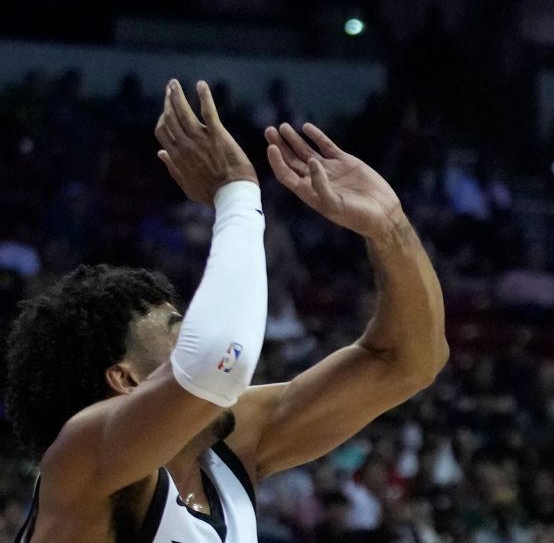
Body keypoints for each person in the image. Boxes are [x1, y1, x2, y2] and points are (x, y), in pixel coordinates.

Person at [6, 80, 449, 543]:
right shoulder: (83, 462)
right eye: (180, 329)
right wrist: (236, 196)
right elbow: (219, 358)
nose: (199, 329)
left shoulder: (231, 449)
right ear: (126, 378)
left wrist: (391, 230)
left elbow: (408, 361)